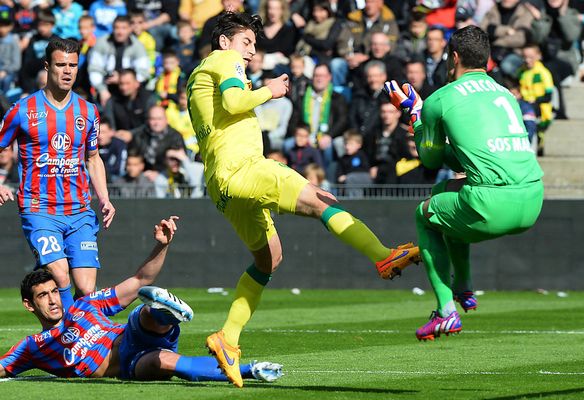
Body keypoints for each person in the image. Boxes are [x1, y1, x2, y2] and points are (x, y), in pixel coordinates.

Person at [186, 11, 420, 388]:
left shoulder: (199, 73)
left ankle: (227, 337)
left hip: (221, 184)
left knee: (269, 258)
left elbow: (223, 111)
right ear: (224, 42)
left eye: (254, 45)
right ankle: (382, 255)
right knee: (321, 202)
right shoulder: (224, 60)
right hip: (244, 169)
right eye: (246, 43)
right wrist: (270, 91)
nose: (250, 52)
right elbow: (233, 102)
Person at [384, 25, 544, 341]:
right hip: (534, 198)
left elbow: (430, 162)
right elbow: (477, 158)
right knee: (446, 195)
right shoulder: (506, 95)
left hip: (491, 204)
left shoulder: (441, 98)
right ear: (487, 60)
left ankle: (446, 311)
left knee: (424, 215)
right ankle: (464, 289)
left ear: (453, 57)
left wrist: (415, 115)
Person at [0, 216, 283, 384]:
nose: (52, 300)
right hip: (131, 363)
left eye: (53, 292)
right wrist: (251, 371)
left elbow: (139, 280)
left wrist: (162, 244)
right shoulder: (32, 347)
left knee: (144, 311)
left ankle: (166, 313)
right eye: (42, 296)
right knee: (167, 364)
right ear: (29, 304)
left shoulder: (85, 304)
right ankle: (251, 370)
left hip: (130, 337)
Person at [0, 38, 116, 311]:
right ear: (47, 66)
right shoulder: (22, 110)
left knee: (87, 288)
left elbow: (93, 157)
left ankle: (77, 335)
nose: (67, 71)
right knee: (61, 275)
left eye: (73, 65)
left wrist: (105, 198)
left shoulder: (88, 111)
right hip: (39, 208)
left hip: (79, 210)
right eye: (61, 64)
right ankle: (65, 339)